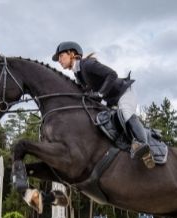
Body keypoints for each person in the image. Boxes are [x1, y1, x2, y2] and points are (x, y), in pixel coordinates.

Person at [52, 41, 155, 169]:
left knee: (126, 113)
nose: (59, 61)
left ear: (71, 53)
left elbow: (112, 74)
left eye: (61, 56)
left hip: (123, 92)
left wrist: (100, 94)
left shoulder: (87, 64)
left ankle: (143, 145)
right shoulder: (78, 74)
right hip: (111, 100)